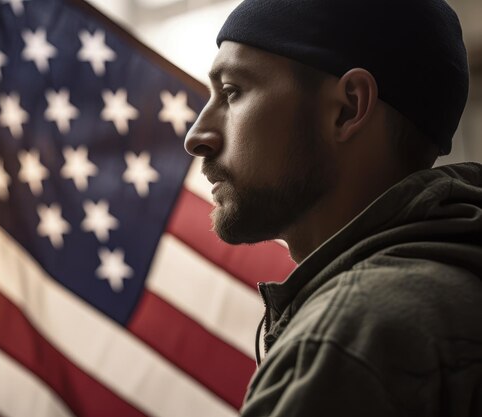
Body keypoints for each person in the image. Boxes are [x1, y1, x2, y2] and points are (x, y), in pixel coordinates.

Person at [184, 0, 482, 415]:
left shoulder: (345, 340)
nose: (196, 136)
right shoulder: (459, 282)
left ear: (347, 108)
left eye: (232, 92)